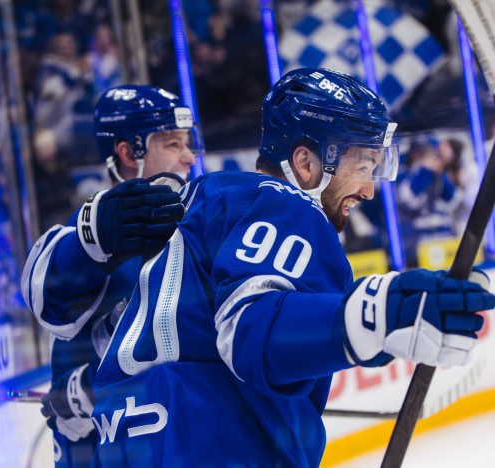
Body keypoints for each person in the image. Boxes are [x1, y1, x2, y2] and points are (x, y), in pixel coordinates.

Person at [90, 68, 495, 467]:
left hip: (123, 445)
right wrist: (377, 316)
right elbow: (250, 331)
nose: (369, 189)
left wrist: (385, 318)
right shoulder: (287, 204)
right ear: (305, 163)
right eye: (362, 166)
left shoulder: (208, 197)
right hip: (207, 447)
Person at [21, 84, 198, 466]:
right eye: (173, 144)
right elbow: (45, 295)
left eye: (187, 143)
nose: (189, 157)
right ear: (128, 153)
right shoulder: (98, 235)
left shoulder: (192, 229)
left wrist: (88, 386)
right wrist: (95, 238)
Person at [396, 136, 461, 267]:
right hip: (416, 241)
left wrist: (439, 175)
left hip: (444, 236)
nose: (427, 157)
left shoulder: (439, 174)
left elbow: (453, 201)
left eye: (431, 153)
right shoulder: (405, 174)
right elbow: (408, 200)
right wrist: (424, 171)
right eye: (422, 153)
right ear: (413, 154)